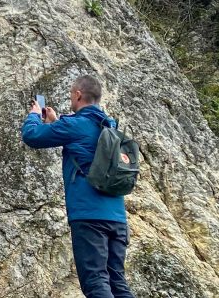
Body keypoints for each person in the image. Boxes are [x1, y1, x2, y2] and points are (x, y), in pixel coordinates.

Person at [21, 75, 136, 298]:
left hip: (89, 216)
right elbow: (85, 146)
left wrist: (35, 115)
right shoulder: (109, 126)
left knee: (95, 282)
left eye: (71, 94)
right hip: (117, 218)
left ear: (78, 94)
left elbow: (31, 135)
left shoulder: (75, 125)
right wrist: (57, 122)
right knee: (117, 282)